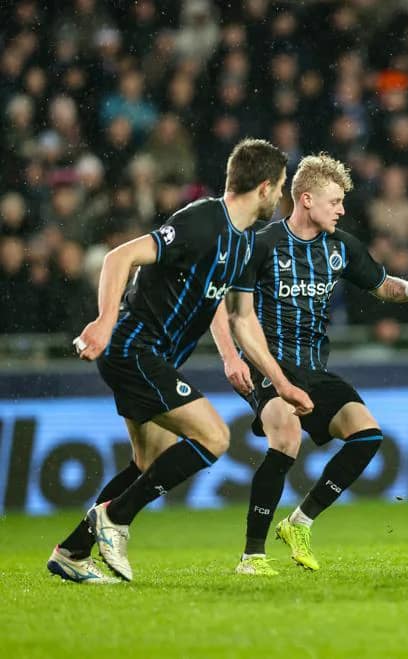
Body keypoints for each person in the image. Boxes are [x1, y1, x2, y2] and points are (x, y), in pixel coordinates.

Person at [46, 138, 314, 584]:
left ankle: (72, 551)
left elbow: (241, 318)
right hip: (134, 348)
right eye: (282, 185)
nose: (282, 195)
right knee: (214, 437)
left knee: (148, 461)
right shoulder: (202, 221)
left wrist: (280, 384)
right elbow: (120, 257)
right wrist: (105, 320)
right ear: (265, 187)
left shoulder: (244, 243)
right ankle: (115, 518)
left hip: (154, 356)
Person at [210, 153, 408, 575]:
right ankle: (252, 556)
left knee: (367, 435)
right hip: (268, 365)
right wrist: (230, 356)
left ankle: (299, 522)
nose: (341, 210)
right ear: (306, 199)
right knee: (285, 437)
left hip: (314, 369)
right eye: (335, 201)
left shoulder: (341, 246)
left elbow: (382, 285)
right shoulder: (261, 244)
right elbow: (220, 305)